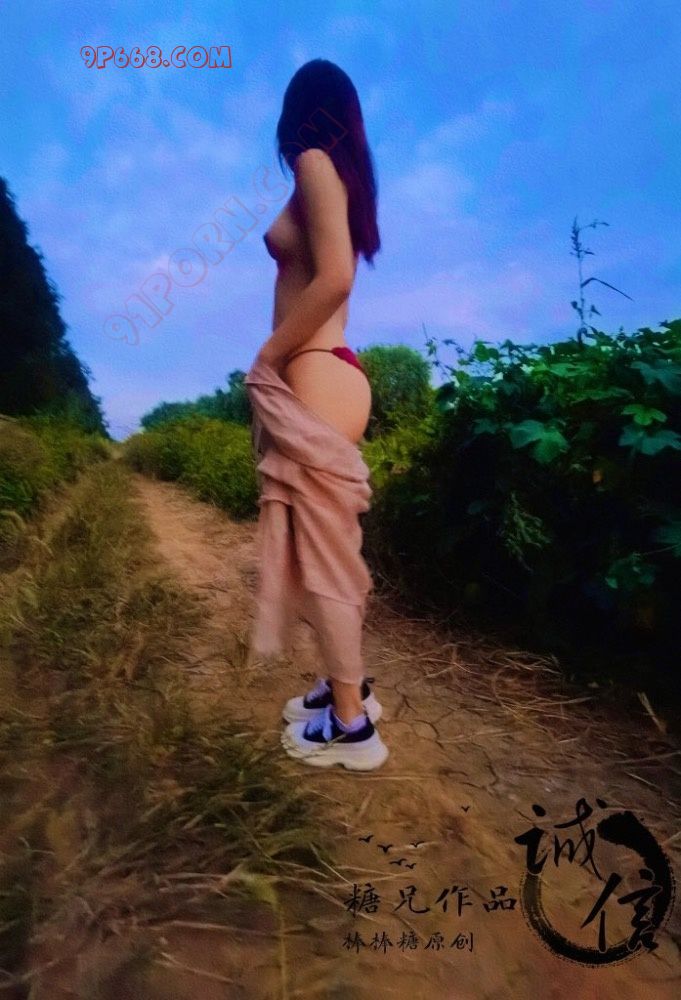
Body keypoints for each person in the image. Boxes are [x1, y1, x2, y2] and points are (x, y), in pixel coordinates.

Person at [245, 59, 388, 771]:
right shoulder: (337, 175)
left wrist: (267, 357)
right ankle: (344, 683)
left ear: (300, 110)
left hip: (317, 376)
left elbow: (335, 278)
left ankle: (352, 726)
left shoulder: (313, 162)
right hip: (331, 376)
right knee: (323, 552)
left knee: (323, 557)